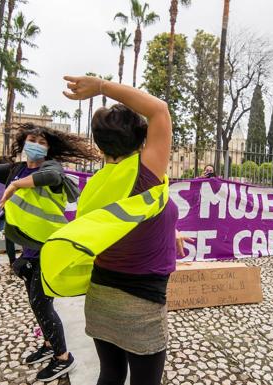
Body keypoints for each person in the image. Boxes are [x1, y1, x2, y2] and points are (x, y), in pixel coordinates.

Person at [59, 75, 178, 385]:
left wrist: (170, 234)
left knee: (110, 374)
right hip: (140, 303)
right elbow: (159, 110)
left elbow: (121, 227)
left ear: (100, 145)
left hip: (100, 296)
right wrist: (101, 86)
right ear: (142, 140)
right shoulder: (144, 172)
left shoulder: (95, 186)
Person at [0, 123, 98, 382]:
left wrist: (16, 186)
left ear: (49, 148)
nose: (37, 145)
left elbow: (52, 179)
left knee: (40, 303)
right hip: (31, 249)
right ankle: (48, 344)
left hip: (51, 248)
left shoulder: (50, 167)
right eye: (32, 140)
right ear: (23, 143)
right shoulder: (15, 169)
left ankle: (63, 357)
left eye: (42, 142)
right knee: (39, 304)